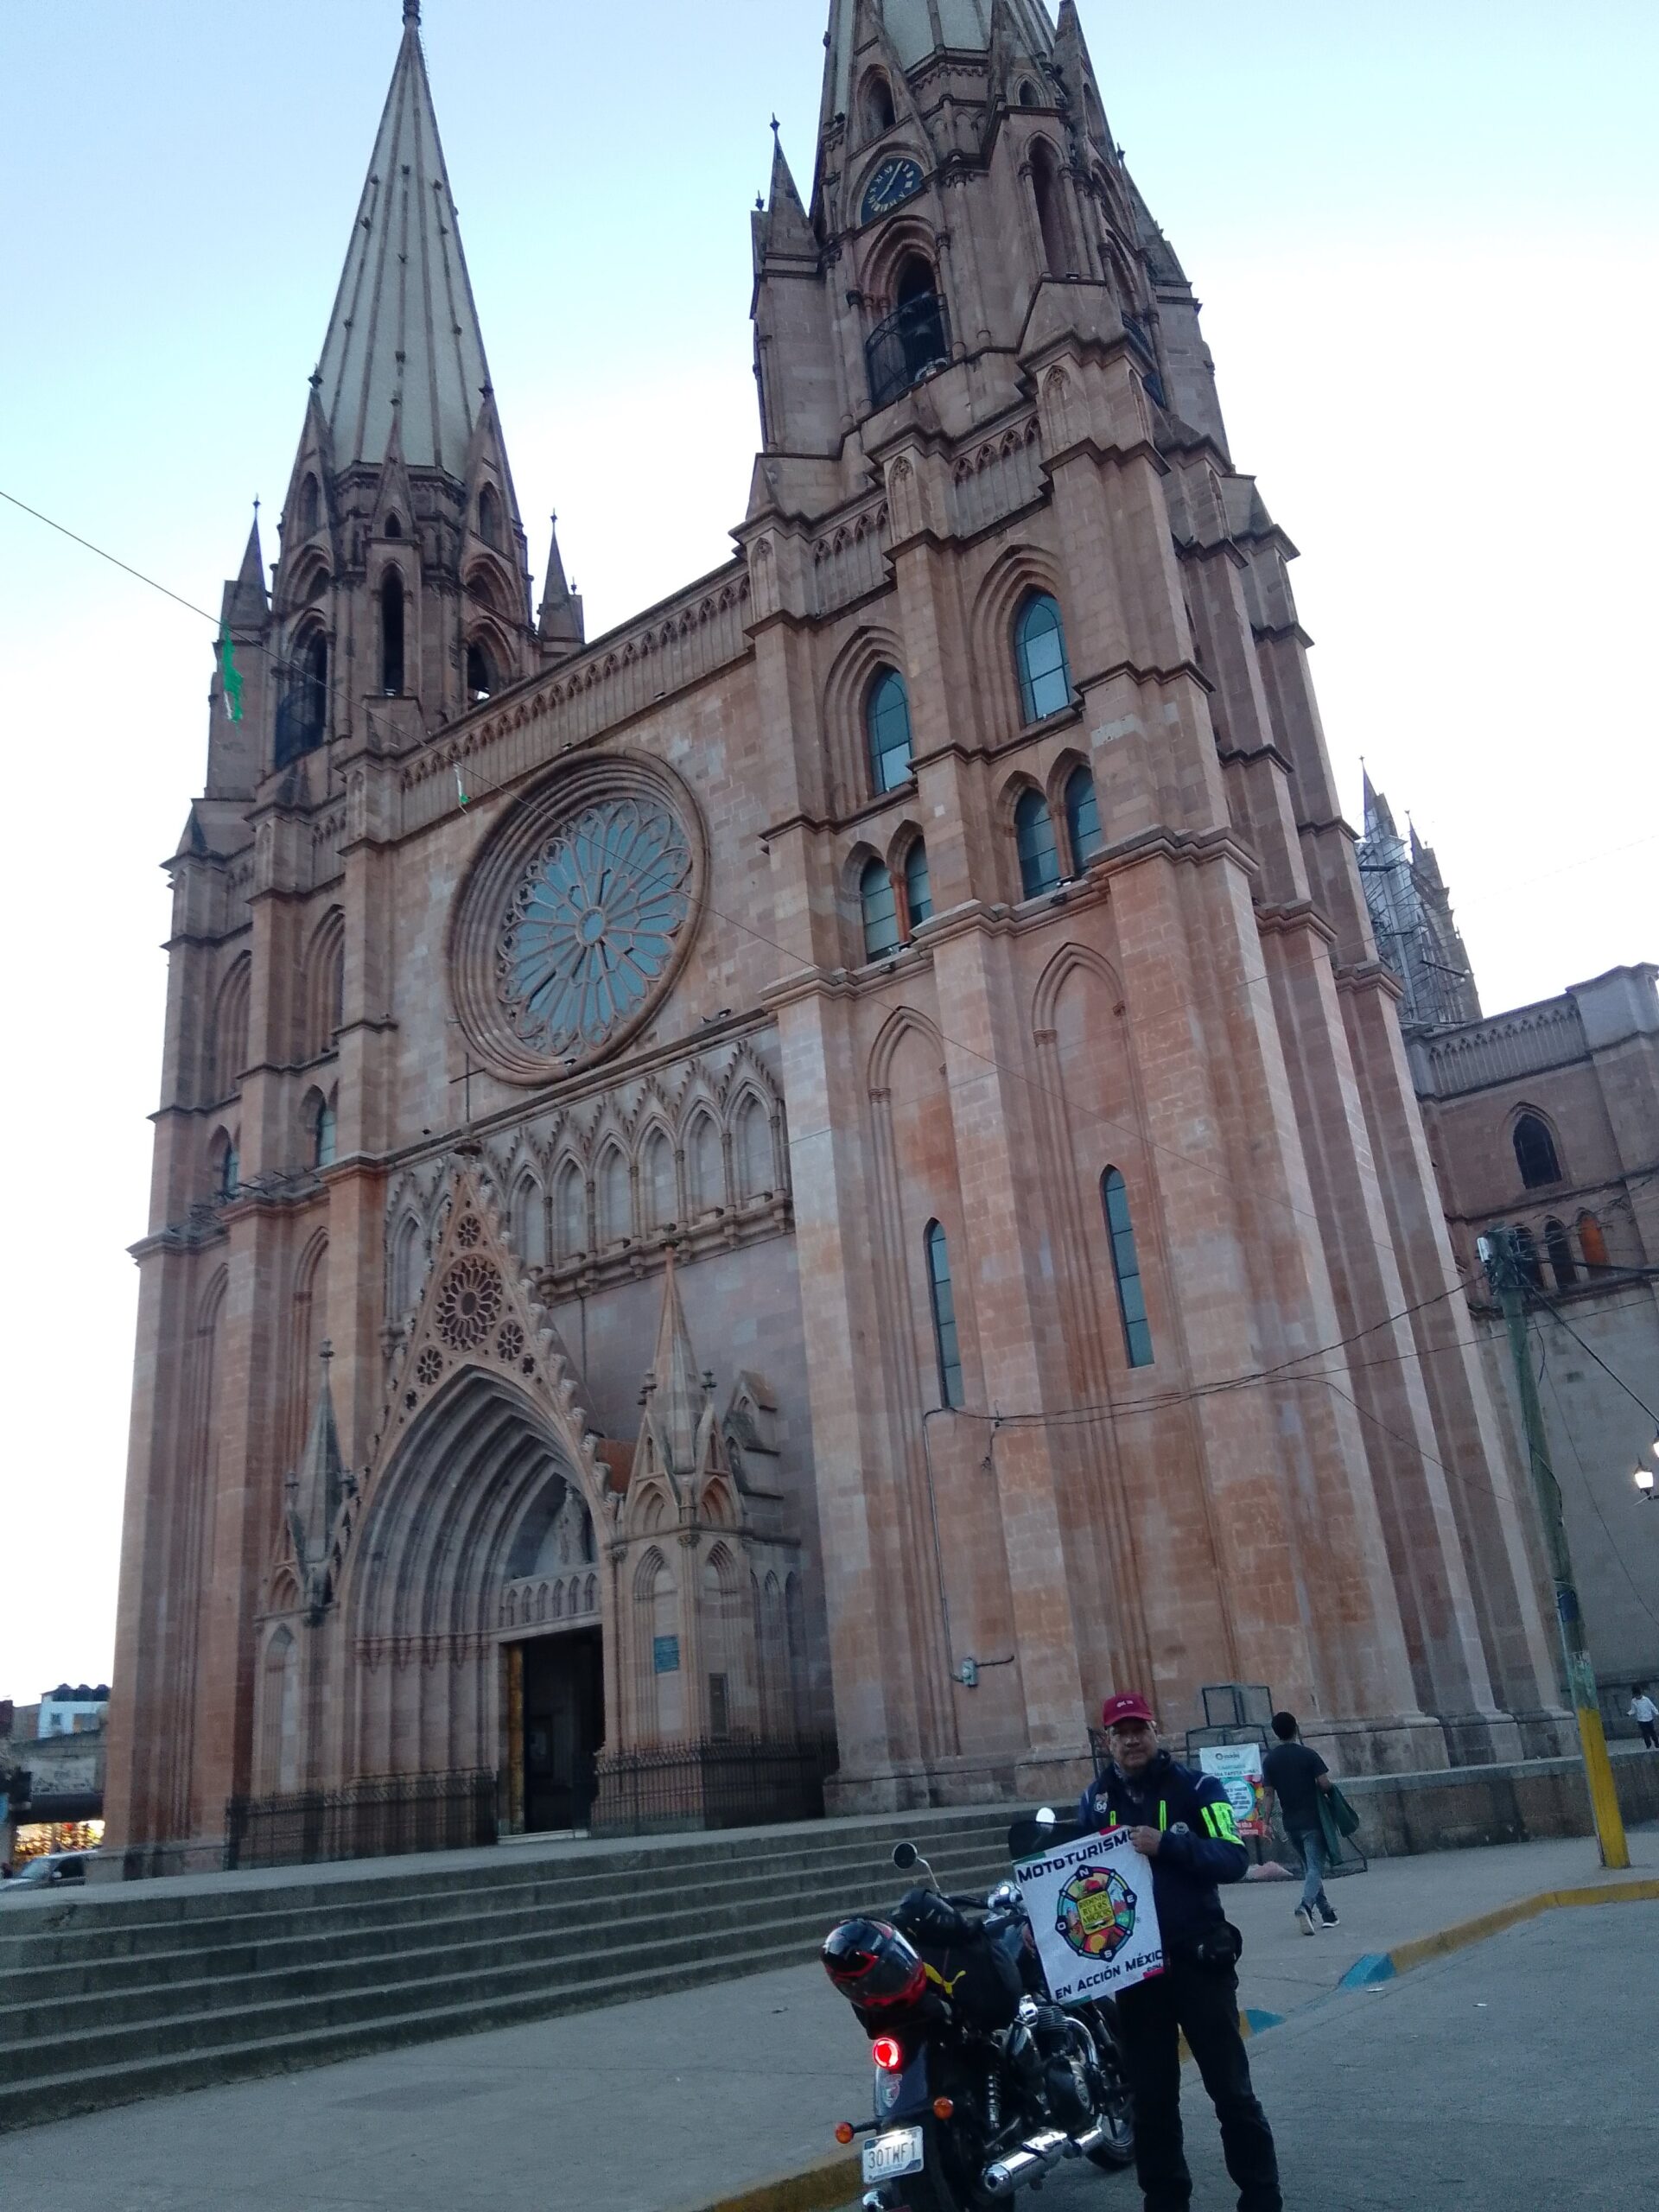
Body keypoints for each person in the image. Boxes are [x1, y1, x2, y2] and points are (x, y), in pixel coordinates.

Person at [1079, 1691, 1281, 2212]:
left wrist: (1168, 1844)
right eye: (1120, 1733)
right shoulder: (1094, 1802)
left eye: (1139, 1728)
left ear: (1155, 1731)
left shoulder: (1199, 1787)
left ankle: (1261, 2197)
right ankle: (1165, 2202)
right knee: (1151, 2103)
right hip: (1138, 1976)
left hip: (1198, 1963)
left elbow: (1232, 1857)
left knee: (1231, 2093)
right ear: (1107, 1742)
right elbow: (1077, 1882)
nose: (1131, 1740)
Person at [1261, 1710, 1337, 1934]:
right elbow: (1324, 1784)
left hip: (1290, 1823)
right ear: (1296, 1728)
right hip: (1313, 1820)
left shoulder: (1271, 1760)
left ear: (1276, 1733)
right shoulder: (1308, 1755)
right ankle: (1305, 1905)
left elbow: (1268, 1795)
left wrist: (1265, 1822)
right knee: (1314, 1868)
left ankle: (1328, 1914)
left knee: (1309, 1867)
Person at [1630, 1685, 1659, 1751]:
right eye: (1636, 1696)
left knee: (1653, 1732)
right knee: (1645, 1733)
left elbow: (1652, 1707)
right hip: (1641, 1720)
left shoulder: (1646, 1699)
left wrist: (1657, 1712)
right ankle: (1648, 1745)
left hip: (1649, 1718)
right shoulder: (1633, 1701)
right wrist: (1629, 1713)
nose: (1638, 1697)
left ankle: (1657, 1743)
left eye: (1639, 1695)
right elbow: (1633, 1710)